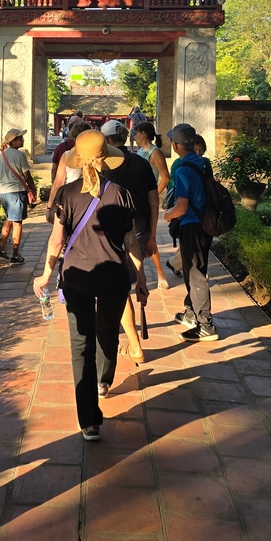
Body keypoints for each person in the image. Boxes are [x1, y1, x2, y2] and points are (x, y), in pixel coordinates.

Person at [34, 129, 149, 440]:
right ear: (106, 160)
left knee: (79, 345)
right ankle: (102, 381)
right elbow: (130, 243)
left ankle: (89, 421)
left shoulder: (66, 194)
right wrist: (141, 278)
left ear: (77, 160)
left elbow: (56, 242)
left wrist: (45, 275)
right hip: (114, 277)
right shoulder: (122, 193)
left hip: (76, 278)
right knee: (107, 334)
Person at [101, 119, 161, 361]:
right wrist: (153, 235)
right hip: (141, 229)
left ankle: (134, 344)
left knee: (118, 287)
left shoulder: (102, 167)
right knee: (124, 282)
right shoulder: (141, 163)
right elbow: (154, 202)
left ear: (106, 141)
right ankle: (123, 329)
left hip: (111, 233)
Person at [163, 122, 218, 342]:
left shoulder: (184, 169)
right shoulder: (203, 163)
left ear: (176, 146)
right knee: (194, 270)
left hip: (192, 226)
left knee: (196, 275)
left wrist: (169, 214)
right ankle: (191, 312)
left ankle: (205, 325)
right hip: (205, 223)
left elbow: (182, 207)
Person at [166, 133, 213, 277]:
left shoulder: (203, 164)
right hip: (195, 216)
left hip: (197, 217)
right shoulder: (180, 166)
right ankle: (191, 298)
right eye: (196, 149)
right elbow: (173, 185)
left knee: (195, 270)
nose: (198, 152)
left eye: (201, 150)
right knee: (196, 265)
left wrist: (169, 214)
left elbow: (182, 207)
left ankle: (175, 264)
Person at [134, 121, 172, 290]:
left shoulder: (155, 152)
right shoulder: (140, 152)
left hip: (148, 200)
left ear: (143, 133)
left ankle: (160, 272)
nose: (134, 137)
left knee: (150, 236)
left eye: (136, 133)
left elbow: (165, 177)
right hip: (138, 200)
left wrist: (154, 194)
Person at [0, 128, 37, 265]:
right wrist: (33, 189)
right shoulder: (20, 156)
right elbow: (27, 176)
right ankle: (15, 256)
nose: (23, 140)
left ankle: (2, 250)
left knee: (9, 220)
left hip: (4, 192)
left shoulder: (0, 155)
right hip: (16, 192)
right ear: (14, 141)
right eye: (20, 138)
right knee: (17, 223)